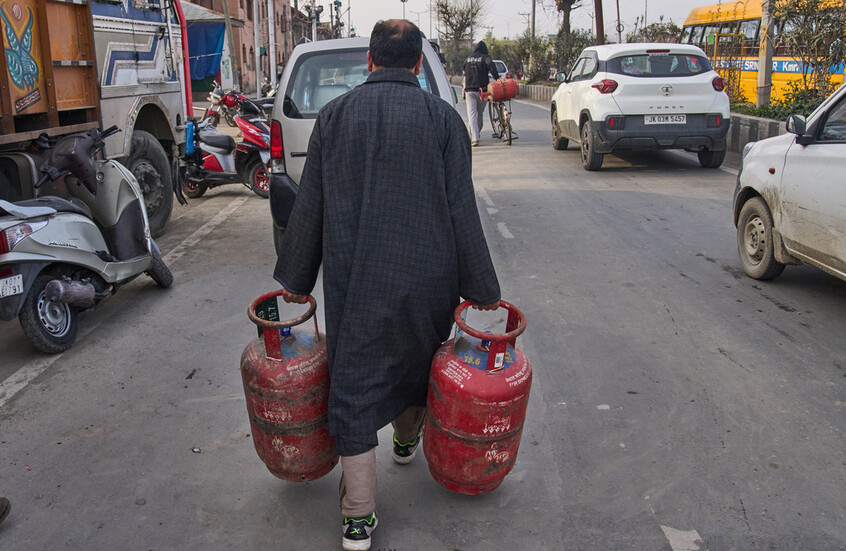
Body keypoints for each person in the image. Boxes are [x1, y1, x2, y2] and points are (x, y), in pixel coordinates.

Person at [273, 19, 501, 551]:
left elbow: (312, 205)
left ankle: (358, 516)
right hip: (429, 280)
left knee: (354, 384)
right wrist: (482, 288)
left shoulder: (334, 117)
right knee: (416, 364)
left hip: (357, 282)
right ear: (418, 64)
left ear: (369, 61)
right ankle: (405, 441)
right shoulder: (444, 121)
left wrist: (298, 279)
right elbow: (461, 209)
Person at [463, 41, 500, 147]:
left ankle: (475, 137)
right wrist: (497, 78)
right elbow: (491, 67)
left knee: (472, 114)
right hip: (482, 91)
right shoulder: (485, 57)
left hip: (469, 90)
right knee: (479, 113)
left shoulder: (467, 59)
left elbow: (464, 72)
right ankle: (476, 134)